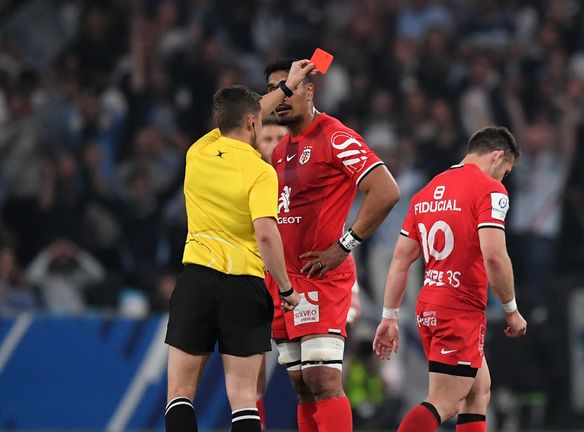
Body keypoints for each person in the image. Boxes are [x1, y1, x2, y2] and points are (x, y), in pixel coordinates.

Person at [163, 59, 314, 432]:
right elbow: (266, 234)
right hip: (244, 287)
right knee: (244, 396)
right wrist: (287, 290)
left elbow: (247, 111)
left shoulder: (198, 152)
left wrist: (284, 87)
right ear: (252, 123)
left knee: (180, 393)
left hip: (197, 280)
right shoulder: (261, 171)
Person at [263, 57, 400, 432]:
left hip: (320, 278)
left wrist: (345, 244)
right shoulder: (280, 150)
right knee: (301, 385)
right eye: (274, 90)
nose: (281, 96)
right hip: (285, 282)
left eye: (289, 87)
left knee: (323, 380)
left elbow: (386, 190)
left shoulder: (335, 136)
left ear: (309, 90)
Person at [373, 126, 528, 432]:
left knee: (478, 392)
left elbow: (401, 259)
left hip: (431, 306)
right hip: (459, 310)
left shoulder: (427, 191)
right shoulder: (489, 190)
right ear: (497, 156)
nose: (502, 179)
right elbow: (494, 256)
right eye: (505, 172)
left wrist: (389, 315)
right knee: (445, 401)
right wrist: (511, 309)